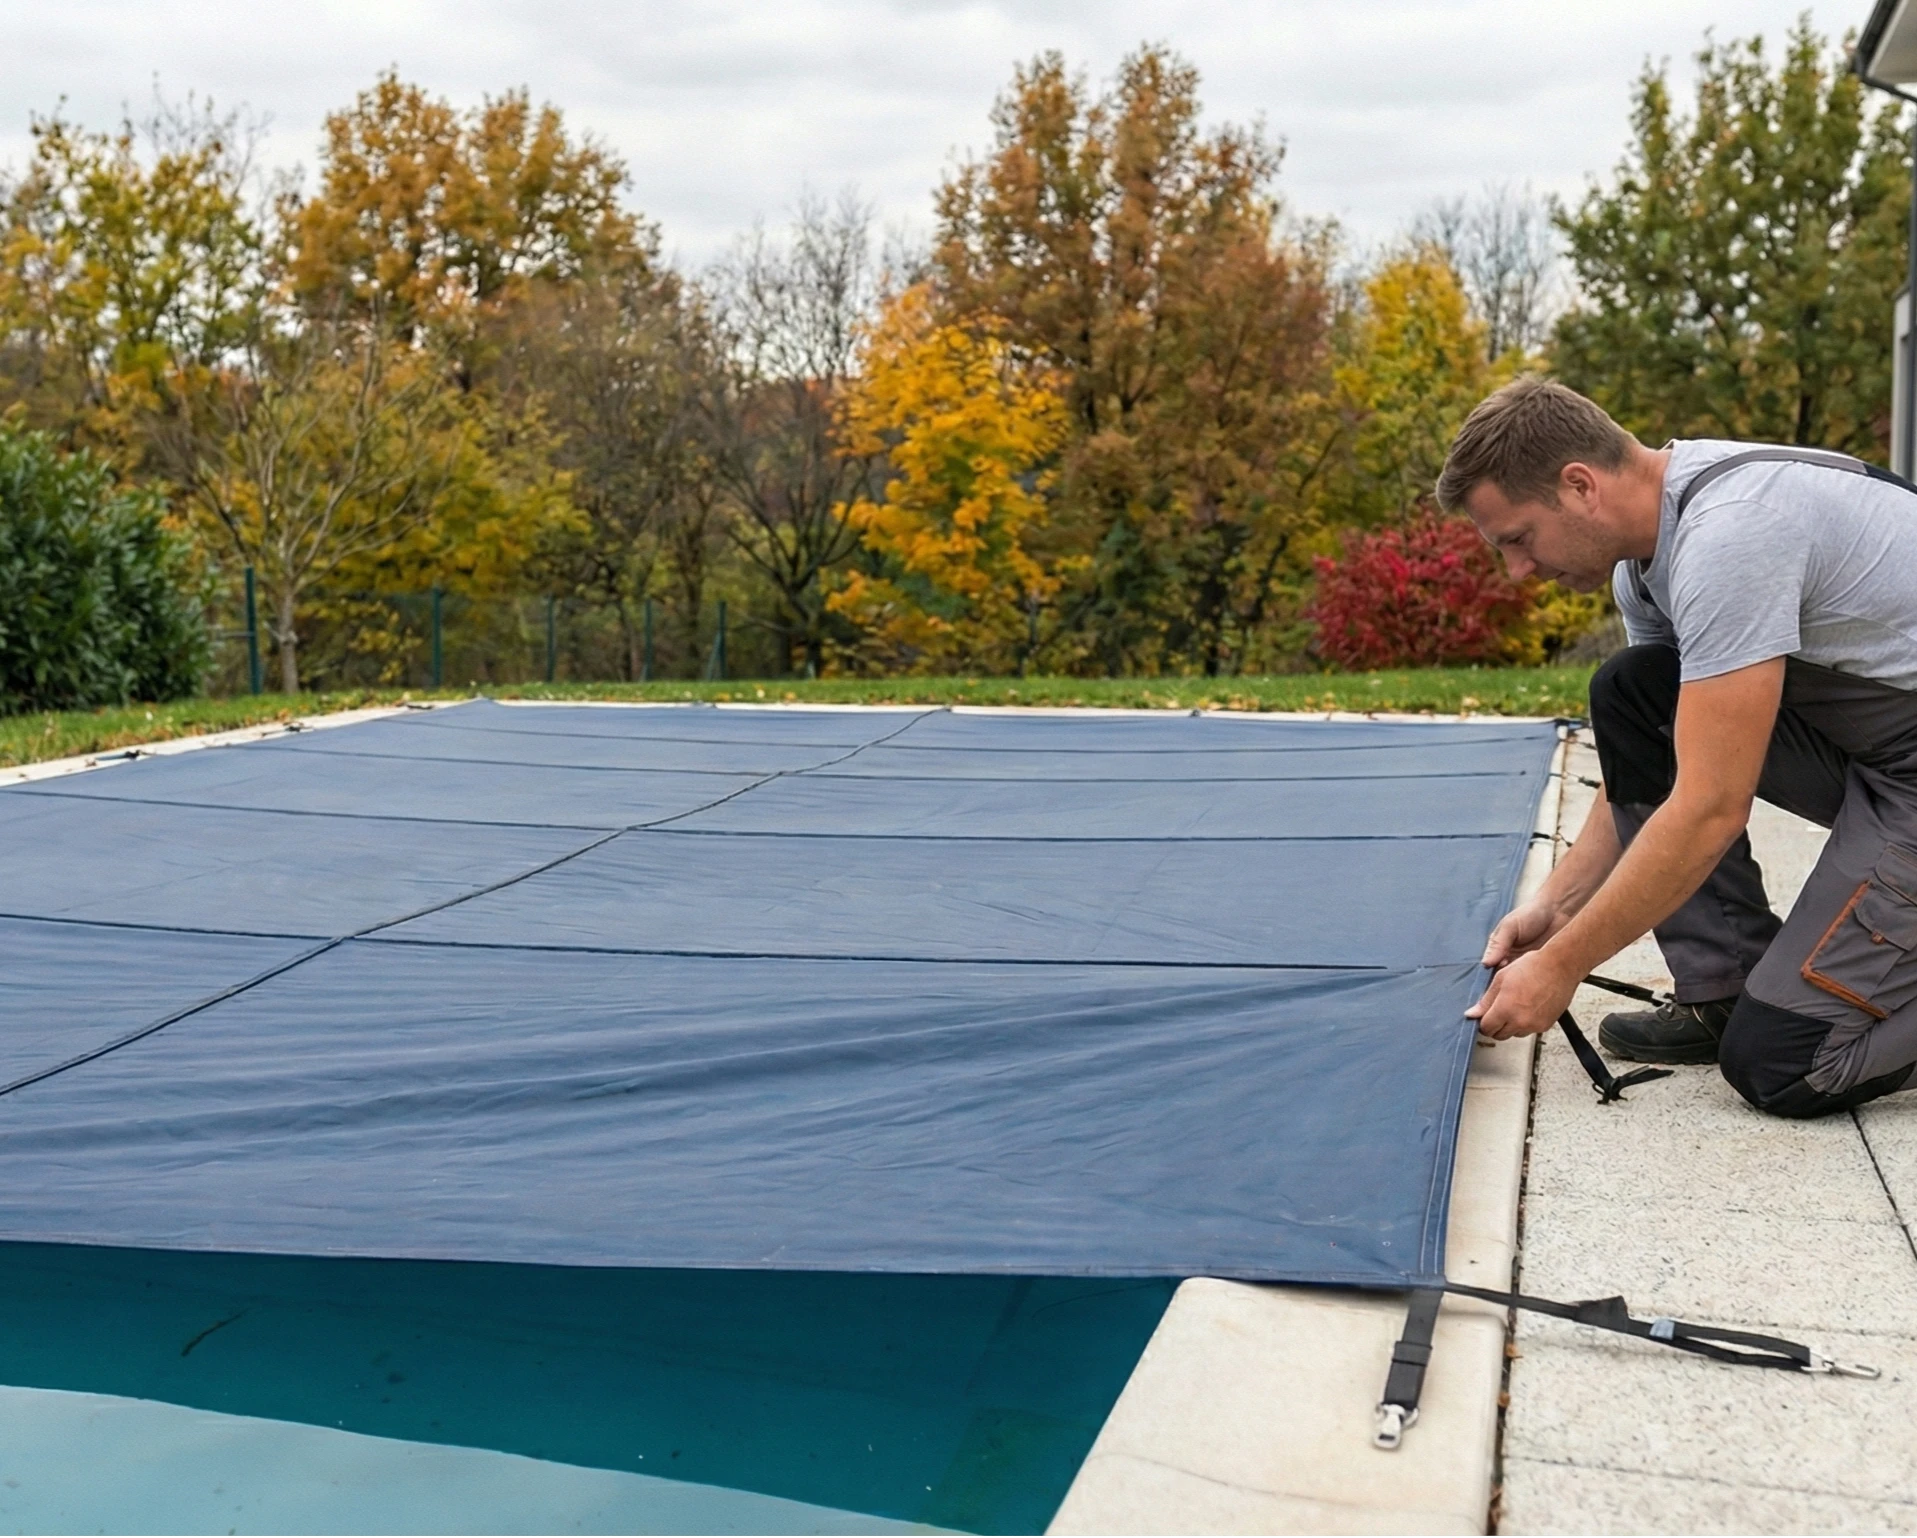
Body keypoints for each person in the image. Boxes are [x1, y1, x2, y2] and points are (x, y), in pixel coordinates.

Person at [1441, 377, 1917, 1118]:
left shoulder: (1730, 535)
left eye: (1518, 539)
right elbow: (1655, 761)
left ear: (1578, 486)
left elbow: (1707, 807)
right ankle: (1721, 989)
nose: (1518, 571)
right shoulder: (1647, 560)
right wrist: (1556, 909)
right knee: (1634, 689)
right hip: (1883, 751)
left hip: (1902, 765)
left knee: (1785, 1063)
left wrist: (1562, 967)